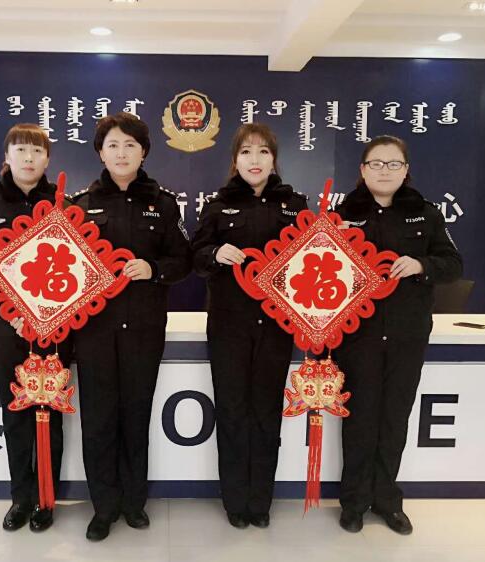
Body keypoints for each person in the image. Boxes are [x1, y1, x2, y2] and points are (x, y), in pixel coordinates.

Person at [71, 112, 192, 541]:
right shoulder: (79, 206)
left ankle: (134, 502)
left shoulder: (163, 203)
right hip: (95, 330)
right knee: (99, 420)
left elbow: (183, 261)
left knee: (136, 415)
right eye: (112, 145)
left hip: (143, 326)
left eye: (130, 145)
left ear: (143, 152)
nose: (121, 153)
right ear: (100, 153)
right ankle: (103, 508)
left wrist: (154, 269)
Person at [334, 135, 463, 535]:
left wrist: (422, 264)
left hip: (407, 334)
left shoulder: (425, 214)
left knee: (394, 419)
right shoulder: (343, 215)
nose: (385, 170)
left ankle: (388, 501)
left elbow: (453, 264)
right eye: (376, 163)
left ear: (406, 170)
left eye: (393, 164)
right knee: (359, 420)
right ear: (362, 170)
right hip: (358, 337)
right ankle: (354, 502)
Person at [191, 123, 308, 529]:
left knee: (266, 412)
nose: (254, 160)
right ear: (235, 160)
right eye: (246, 152)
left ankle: (260, 502)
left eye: (262, 152)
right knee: (232, 411)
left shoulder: (295, 204)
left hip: (276, 325)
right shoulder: (218, 205)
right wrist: (214, 253)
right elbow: (195, 255)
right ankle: (234, 501)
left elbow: (312, 260)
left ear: (274, 159)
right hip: (229, 323)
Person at [0, 123, 72, 533]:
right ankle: (21, 498)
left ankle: (47, 499)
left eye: (37, 151)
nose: (29, 158)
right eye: (21, 150)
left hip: (52, 328)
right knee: (15, 411)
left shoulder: (63, 206)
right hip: (3, 328)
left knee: (50, 412)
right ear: (7, 157)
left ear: (48, 159)